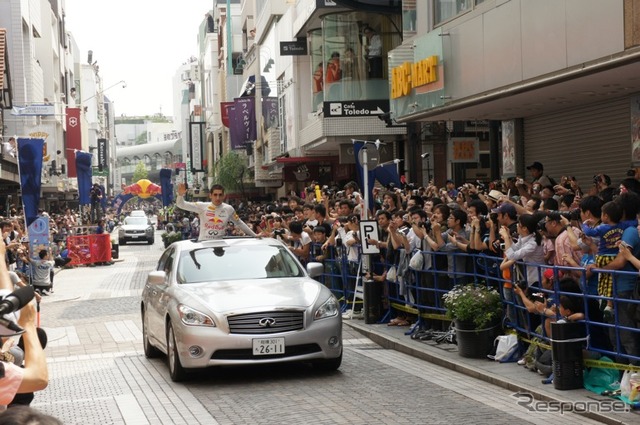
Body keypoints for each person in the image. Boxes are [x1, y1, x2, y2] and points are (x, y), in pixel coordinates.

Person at [176, 183, 256, 240]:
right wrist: (180, 195)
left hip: (220, 245)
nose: (218, 198)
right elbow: (181, 204)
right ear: (210, 195)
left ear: (224, 196)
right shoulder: (202, 206)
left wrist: (255, 235)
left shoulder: (229, 209)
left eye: (220, 195)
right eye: (215, 195)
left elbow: (239, 223)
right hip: (204, 244)